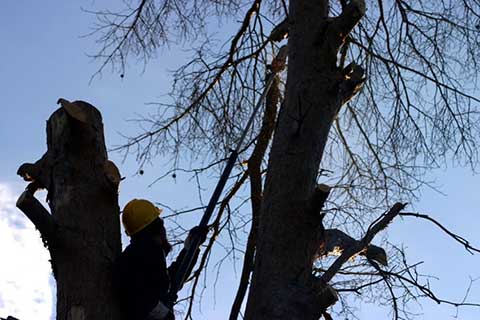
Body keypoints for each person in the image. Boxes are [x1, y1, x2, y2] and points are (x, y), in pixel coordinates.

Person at [113, 199, 207, 320]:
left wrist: (190, 250)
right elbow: (137, 295)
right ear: (158, 229)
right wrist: (160, 312)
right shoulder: (147, 252)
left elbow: (170, 283)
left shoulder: (142, 256)